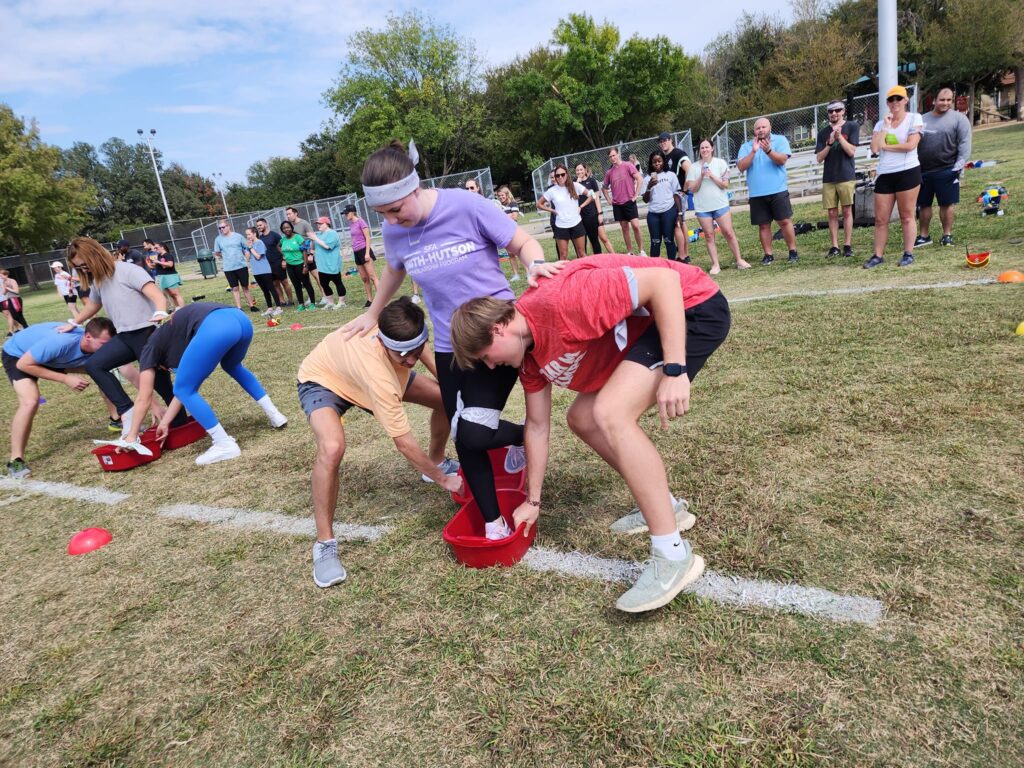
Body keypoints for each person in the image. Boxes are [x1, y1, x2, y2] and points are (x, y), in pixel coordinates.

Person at [449, 253, 730, 613]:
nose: (491, 366)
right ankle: (668, 508)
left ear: (498, 329)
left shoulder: (561, 302)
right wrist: (533, 502)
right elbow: (536, 427)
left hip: (691, 308)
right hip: (652, 327)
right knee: (582, 417)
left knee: (610, 413)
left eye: (487, 356)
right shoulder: (529, 357)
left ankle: (672, 555)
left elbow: (664, 282)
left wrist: (675, 369)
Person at [341, 140, 564, 540]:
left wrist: (536, 263)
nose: (391, 220)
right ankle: (493, 522)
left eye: (395, 209)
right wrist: (373, 312)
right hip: (448, 346)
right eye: (381, 214)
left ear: (413, 188)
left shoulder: (464, 205)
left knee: (476, 432)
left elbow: (521, 241)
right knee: (464, 434)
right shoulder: (394, 232)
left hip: (494, 334)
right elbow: (394, 269)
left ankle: (522, 437)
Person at [299, 297, 461, 587]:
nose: (411, 360)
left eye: (414, 350)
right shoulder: (379, 376)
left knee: (447, 400)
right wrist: (444, 481)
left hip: (362, 369)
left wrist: (452, 388)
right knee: (332, 448)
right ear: (384, 343)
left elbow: (417, 352)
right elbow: (405, 444)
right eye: (403, 355)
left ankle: (435, 459)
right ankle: (324, 544)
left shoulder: (400, 330)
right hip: (324, 379)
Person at [120, 302, 288, 465]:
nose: (170, 370)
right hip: (240, 319)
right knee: (232, 365)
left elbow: (145, 395)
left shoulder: (150, 349)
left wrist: (131, 436)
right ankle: (275, 415)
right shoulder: (173, 335)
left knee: (184, 388)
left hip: (217, 325)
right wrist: (165, 423)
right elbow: (184, 391)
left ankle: (224, 443)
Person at [64, 237, 178, 438]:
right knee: (95, 365)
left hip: (146, 334)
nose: (83, 270)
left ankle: (179, 423)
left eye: (84, 265)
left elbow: (157, 295)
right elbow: (93, 305)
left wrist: (160, 312)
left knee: (161, 386)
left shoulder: (128, 270)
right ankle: (127, 409)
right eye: (79, 268)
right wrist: (73, 323)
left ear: (94, 255)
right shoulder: (99, 280)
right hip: (124, 336)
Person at [4, 317, 117, 478]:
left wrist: (153, 404)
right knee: (30, 401)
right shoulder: (61, 342)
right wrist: (65, 379)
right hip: (19, 356)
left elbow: (130, 373)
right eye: (104, 345)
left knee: (102, 371)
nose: (107, 350)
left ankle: (117, 419)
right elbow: (24, 365)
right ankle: (15, 461)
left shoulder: (92, 344)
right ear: (88, 337)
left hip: (54, 357)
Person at [865, 85, 924, 269]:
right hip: (885, 173)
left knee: (907, 216)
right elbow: (875, 148)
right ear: (887, 103)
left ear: (906, 100)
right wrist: (885, 127)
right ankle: (878, 255)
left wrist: (886, 146)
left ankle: (908, 253)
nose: (895, 103)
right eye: (891, 99)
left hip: (908, 171)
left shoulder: (915, 118)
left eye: (899, 98)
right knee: (880, 219)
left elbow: (910, 146)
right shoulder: (880, 124)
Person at [736, 117, 798, 265]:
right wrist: (753, 151)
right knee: (763, 225)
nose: (761, 130)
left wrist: (768, 150)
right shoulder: (746, 146)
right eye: (758, 128)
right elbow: (741, 166)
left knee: (784, 221)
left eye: (764, 127)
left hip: (778, 190)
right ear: (754, 131)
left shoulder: (780, 140)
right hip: (757, 193)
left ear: (770, 127)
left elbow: (782, 160)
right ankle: (768, 254)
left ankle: (793, 251)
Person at [916, 87, 972, 248]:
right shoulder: (921, 119)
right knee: (923, 205)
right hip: (923, 171)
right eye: (942, 99)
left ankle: (947, 235)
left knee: (946, 204)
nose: (945, 103)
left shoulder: (959, 119)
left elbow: (964, 144)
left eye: (948, 100)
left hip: (947, 169)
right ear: (934, 100)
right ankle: (923, 236)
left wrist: (958, 168)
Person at [686, 139, 750, 272]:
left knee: (728, 232)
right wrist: (701, 176)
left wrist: (711, 176)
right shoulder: (693, 167)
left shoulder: (720, 163)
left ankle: (739, 259)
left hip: (720, 205)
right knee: (709, 235)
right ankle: (715, 264)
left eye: (707, 147)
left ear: (712, 148)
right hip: (703, 208)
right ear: (699, 150)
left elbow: (725, 185)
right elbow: (692, 189)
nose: (704, 150)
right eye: (702, 148)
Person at [815, 100, 860, 258]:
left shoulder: (852, 126)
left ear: (843, 111)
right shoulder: (822, 133)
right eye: (831, 111)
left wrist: (839, 137)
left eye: (837, 110)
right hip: (829, 178)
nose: (834, 113)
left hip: (846, 176)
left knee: (847, 211)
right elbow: (819, 158)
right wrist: (829, 143)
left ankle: (847, 245)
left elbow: (851, 151)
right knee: (832, 213)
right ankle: (834, 246)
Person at [537, 163, 592, 261]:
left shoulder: (575, 186)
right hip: (561, 226)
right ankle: (564, 276)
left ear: (567, 174)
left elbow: (591, 195)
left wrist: (581, 206)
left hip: (576, 223)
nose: (560, 177)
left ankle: (585, 274)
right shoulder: (552, 191)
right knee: (563, 256)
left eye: (562, 174)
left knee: (582, 253)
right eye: (557, 175)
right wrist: (552, 210)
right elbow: (539, 204)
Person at [640, 152, 683, 261]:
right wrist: (649, 187)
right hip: (653, 214)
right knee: (655, 242)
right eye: (654, 162)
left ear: (664, 162)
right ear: (651, 164)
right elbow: (645, 200)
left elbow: (676, 195)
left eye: (659, 161)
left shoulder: (670, 175)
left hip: (668, 211)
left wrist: (679, 213)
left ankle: (672, 264)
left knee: (669, 240)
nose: (657, 164)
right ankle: (655, 268)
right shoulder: (646, 179)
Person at [602, 148, 645, 255]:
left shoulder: (628, 165)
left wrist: (636, 195)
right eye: (610, 157)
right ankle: (630, 252)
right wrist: (608, 200)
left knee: (635, 225)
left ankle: (641, 250)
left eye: (614, 155)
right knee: (624, 228)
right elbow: (604, 188)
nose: (612, 158)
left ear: (618, 154)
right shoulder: (609, 172)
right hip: (617, 204)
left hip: (629, 201)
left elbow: (639, 179)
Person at [657, 132, 692, 261]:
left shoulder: (678, 154)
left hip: (678, 195)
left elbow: (689, 169)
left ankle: (684, 254)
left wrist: (684, 189)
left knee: (679, 223)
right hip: (669, 196)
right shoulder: (663, 156)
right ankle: (683, 254)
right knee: (678, 224)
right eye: (660, 141)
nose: (663, 143)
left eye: (665, 140)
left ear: (670, 140)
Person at [213, 220, 259, 312]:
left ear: (228, 226)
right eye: (220, 228)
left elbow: (246, 248)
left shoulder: (238, 236)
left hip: (241, 266)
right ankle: (239, 307)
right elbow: (217, 252)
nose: (222, 229)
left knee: (245, 287)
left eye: (223, 227)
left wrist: (246, 257)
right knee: (234, 288)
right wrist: (226, 255)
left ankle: (251, 306)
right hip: (228, 268)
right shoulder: (218, 239)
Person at [343, 204, 380, 307]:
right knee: (364, 278)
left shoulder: (361, 221)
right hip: (356, 252)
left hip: (364, 250)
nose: (345, 215)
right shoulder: (351, 224)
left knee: (372, 276)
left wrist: (367, 253)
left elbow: (368, 237)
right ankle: (369, 300)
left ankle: (381, 300)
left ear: (352, 212)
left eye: (346, 213)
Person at [285, 206, 322, 303]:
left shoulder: (304, 223)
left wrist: (311, 254)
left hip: (308, 254)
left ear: (296, 213)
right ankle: (311, 297)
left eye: (289, 214)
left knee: (316, 275)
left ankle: (325, 296)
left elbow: (313, 238)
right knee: (305, 278)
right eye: (287, 214)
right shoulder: (290, 227)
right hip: (300, 257)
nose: (288, 216)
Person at [575, 164, 613, 255]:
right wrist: (577, 183)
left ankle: (614, 256)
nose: (579, 172)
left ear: (585, 169)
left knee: (601, 238)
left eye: (581, 169)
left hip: (592, 214)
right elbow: (574, 197)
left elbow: (596, 198)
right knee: (587, 241)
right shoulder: (574, 182)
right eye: (577, 170)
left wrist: (599, 213)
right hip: (580, 216)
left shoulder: (592, 181)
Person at [244, 227, 283, 316]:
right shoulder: (250, 245)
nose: (248, 236)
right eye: (246, 235)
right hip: (256, 271)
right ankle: (269, 308)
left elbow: (258, 257)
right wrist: (247, 248)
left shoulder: (259, 242)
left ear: (254, 233)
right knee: (264, 290)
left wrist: (251, 248)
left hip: (264, 270)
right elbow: (247, 258)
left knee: (271, 288)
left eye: (249, 234)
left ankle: (278, 307)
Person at [308, 216, 345, 310]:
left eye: (320, 224)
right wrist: (312, 240)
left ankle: (342, 302)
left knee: (337, 282)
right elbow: (315, 247)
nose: (318, 226)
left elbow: (328, 246)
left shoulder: (332, 233)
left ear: (327, 224)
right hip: (321, 265)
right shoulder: (319, 235)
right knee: (324, 284)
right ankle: (330, 302)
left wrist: (315, 238)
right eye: (317, 224)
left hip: (332, 263)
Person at [280, 220, 317, 311]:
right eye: (284, 228)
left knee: (307, 284)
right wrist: (284, 257)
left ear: (291, 228)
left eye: (288, 227)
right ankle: (301, 304)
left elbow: (304, 251)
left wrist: (305, 265)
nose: (286, 229)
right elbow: (278, 246)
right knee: (296, 285)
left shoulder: (298, 237)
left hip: (300, 264)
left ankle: (312, 303)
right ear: (282, 230)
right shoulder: (283, 240)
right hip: (290, 266)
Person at [256, 217, 293, 306]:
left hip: (278, 262)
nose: (259, 227)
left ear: (265, 224)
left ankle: (290, 300)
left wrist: (284, 260)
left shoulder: (275, 235)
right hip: (268, 265)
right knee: (275, 283)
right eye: (257, 226)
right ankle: (282, 300)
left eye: (260, 225)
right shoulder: (260, 238)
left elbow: (282, 248)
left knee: (284, 282)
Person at [494, 186, 523, 282]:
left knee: (519, 253)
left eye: (502, 195)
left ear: (507, 194)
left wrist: (503, 217)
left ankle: (529, 272)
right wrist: (506, 216)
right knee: (510, 254)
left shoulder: (513, 203)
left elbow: (514, 216)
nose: (500, 197)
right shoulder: (499, 206)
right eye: (499, 196)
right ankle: (516, 275)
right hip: (504, 232)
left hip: (513, 231)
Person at [152, 242, 185, 309]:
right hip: (162, 277)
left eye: (156, 248)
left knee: (176, 294)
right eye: (154, 248)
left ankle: (183, 309)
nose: (155, 249)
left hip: (170, 277)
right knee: (171, 295)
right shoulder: (159, 256)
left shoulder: (167, 255)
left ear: (162, 247)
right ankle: (178, 309)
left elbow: (170, 264)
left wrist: (158, 262)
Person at [1, 271, 29, 335]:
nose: (1, 277)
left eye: (1, 275)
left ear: (6, 275)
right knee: (13, 315)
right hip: (9, 299)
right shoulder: (3, 282)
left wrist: (8, 288)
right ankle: (24, 326)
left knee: (19, 314)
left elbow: (17, 291)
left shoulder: (12, 281)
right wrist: (5, 289)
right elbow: (4, 293)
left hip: (16, 299)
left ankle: (26, 327)